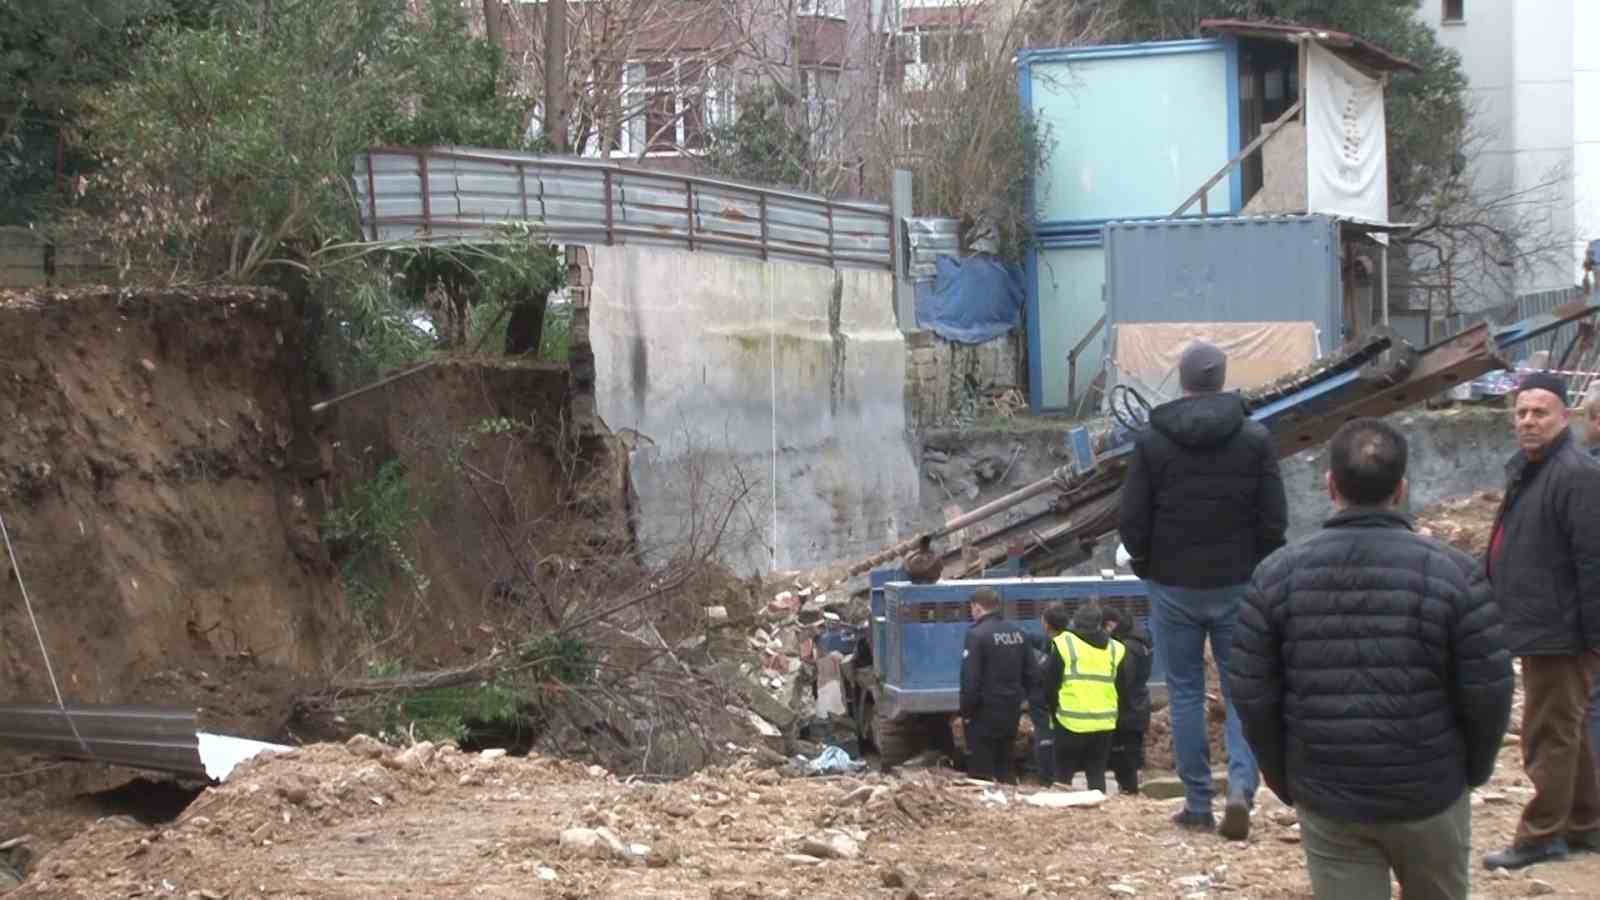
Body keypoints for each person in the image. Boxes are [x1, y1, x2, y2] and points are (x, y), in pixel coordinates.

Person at [1229, 418, 1514, 899]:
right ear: (1401, 488)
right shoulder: (1454, 575)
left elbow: (1253, 694)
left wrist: (1285, 779)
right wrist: (1472, 770)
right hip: (1431, 789)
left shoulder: (1275, 577)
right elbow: (1489, 689)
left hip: (1329, 795)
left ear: (1330, 485)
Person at [1117, 339, 1287, 839]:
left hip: (1174, 585)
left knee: (1186, 692)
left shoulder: (1152, 442)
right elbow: (1274, 518)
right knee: (1241, 691)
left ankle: (1197, 803)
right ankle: (1240, 788)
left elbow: (1131, 518)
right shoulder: (1255, 439)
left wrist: (1149, 563)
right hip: (1238, 583)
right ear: (1222, 378)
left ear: (1183, 380)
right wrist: (1254, 562)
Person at [1481, 372, 1600, 870]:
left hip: (1562, 630)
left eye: (1540, 412)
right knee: (1566, 728)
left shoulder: (1575, 474)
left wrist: (1593, 638)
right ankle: (1586, 823)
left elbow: (1593, 559)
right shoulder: (1531, 468)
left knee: (1546, 734)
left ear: (1563, 418)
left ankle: (1539, 835)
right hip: (1539, 624)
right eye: (1522, 412)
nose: (1528, 421)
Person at [1041, 600, 1129, 793]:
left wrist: (1054, 712)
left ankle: (1063, 816)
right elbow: (1122, 689)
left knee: (1063, 776)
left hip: (1070, 722)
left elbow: (1049, 685)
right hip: (1104, 724)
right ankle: (1098, 813)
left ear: (1076, 621)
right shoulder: (1116, 648)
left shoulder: (1064, 644)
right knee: (1097, 774)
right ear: (1100, 623)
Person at [959, 587, 1037, 784]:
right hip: (1011, 709)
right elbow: (1032, 674)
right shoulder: (1018, 633)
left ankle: (985, 811)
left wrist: (966, 712)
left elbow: (971, 680)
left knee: (981, 770)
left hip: (983, 713)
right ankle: (1009, 803)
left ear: (977, 608)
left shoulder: (976, 635)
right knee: (1006, 763)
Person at [1103, 609, 1153, 795]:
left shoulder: (1125, 648)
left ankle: (1129, 792)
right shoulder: (1142, 642)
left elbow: (1123, 681)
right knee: (1131, 756)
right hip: (1139, 706)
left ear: (1111, 624)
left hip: (1126, 712)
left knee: (1123, 760)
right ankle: (1130, 789)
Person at [1024, 604, 1061, 785]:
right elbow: (1039, 641)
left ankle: (1049, 779)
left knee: (1046, 741)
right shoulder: (1053, 643)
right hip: (1050, 706)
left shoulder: (1058, 649)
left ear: (1047, 624)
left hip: (1049, 706)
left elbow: (1043, 676)